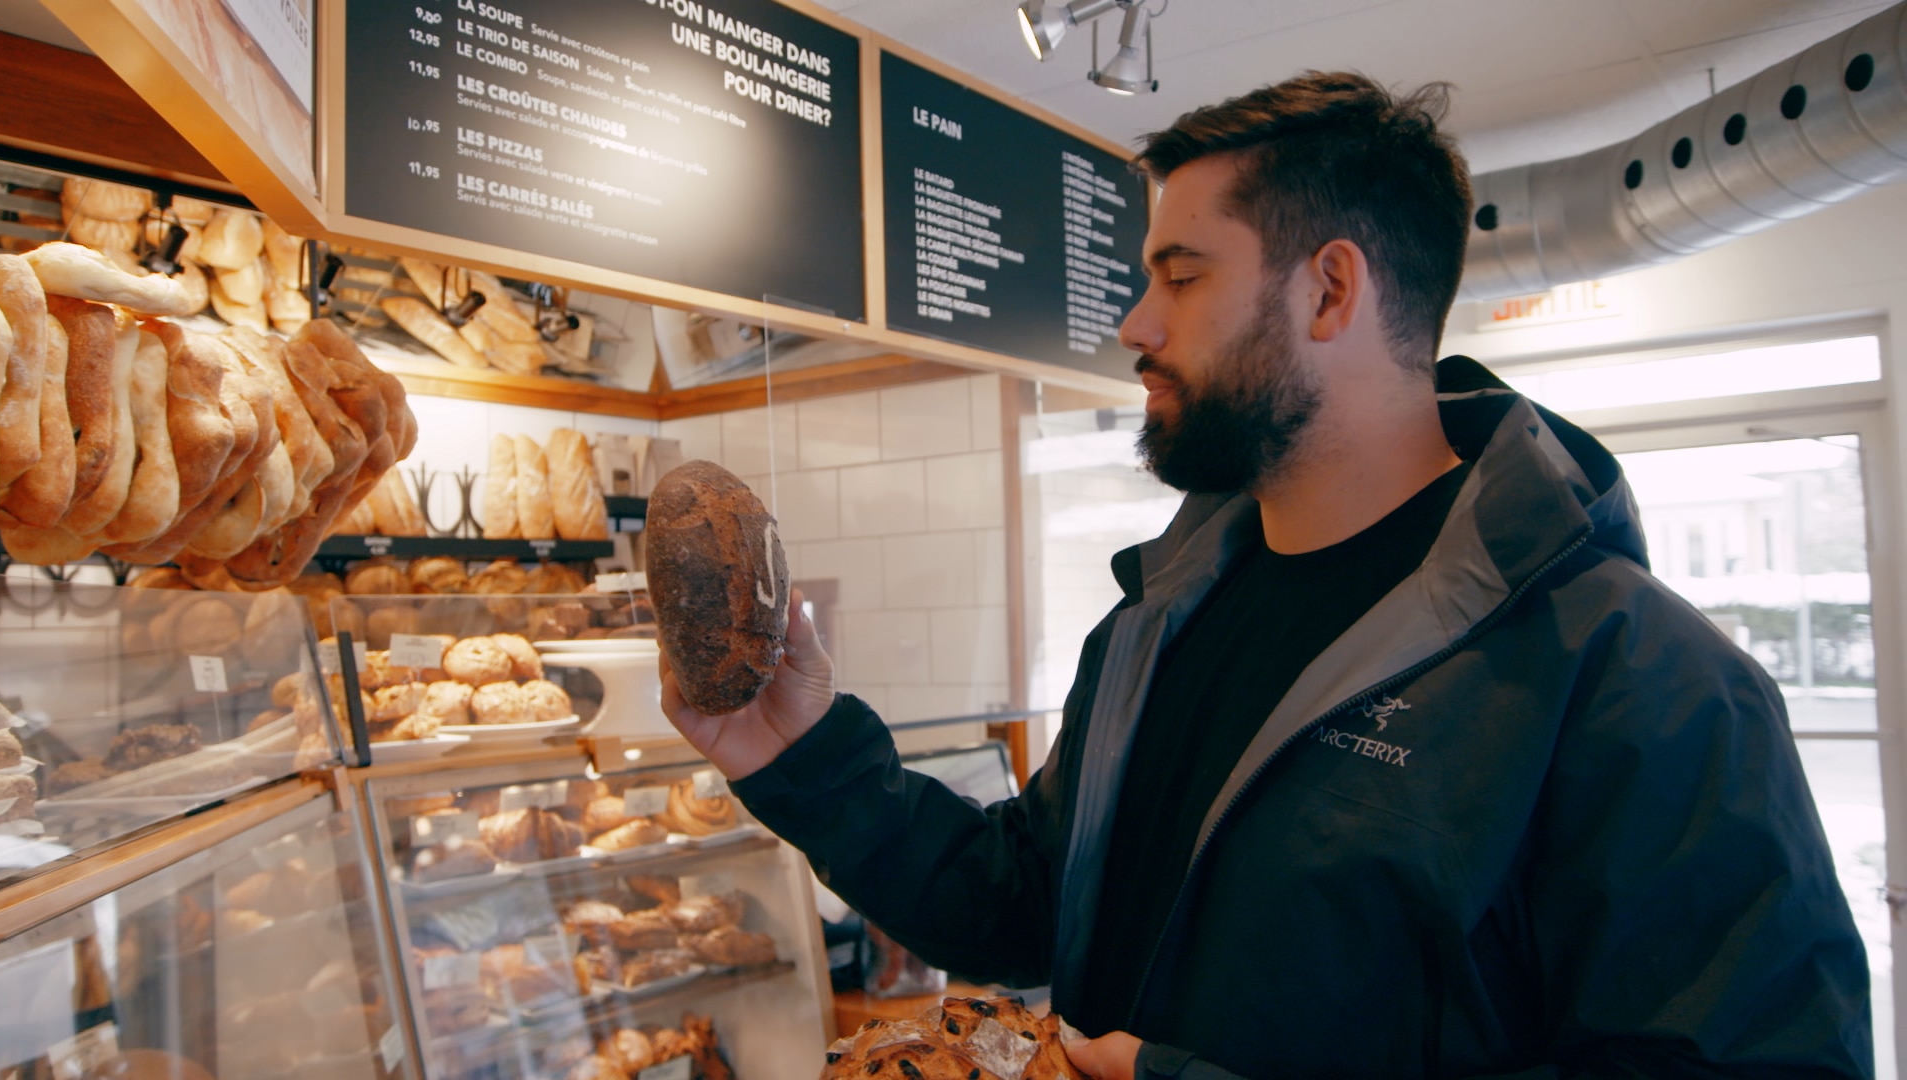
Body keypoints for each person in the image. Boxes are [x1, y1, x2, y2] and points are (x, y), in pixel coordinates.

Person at [660, 72, 1873, 1079]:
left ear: (1331, 289)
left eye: (1180, 276)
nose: (1135, 323)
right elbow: (1023, 903)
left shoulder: (1641, 684)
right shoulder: (1160, 620)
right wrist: (801, 751)